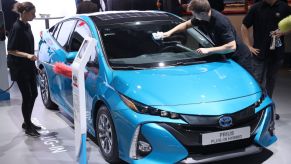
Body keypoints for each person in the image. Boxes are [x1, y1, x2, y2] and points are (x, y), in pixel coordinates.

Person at [163, 0, 253, 74]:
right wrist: (169, 32)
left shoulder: (220, 22)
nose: (193, 16)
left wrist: (208, 50)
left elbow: (232, 47)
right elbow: (186, 25)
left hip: (240, 58)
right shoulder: (202, 18)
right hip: (226, 57)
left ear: (202, 13)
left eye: (194, 14)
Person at [241, 0, 291, 119]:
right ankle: (255, 111)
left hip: (277, 52)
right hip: (259, 52)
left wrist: (284, 32)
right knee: (257, 82)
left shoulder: (284, 7)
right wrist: (248, 46)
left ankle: (268, 109)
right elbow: (244, 26)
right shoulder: (256, 8)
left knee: (271, 81)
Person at [7, 1, 41, 137]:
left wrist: (34, 66)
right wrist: (27, 56)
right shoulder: (17, 28)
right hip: (19, 67)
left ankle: (27, 122)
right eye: (33, 13)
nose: (34, 15)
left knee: (34, 94)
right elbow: (11, 50)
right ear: (25, 13)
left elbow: (29, 47)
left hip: (28, 66)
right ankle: (27, 126)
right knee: (27, 96)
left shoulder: (27, 26)